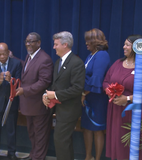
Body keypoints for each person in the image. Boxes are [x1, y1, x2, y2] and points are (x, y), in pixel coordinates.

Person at [103, 35, 142, 160]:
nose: (124, 47)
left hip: (140, 114)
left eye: (127, 45)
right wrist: (110, 91)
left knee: (138, 147)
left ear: (137, 47)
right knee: (121, 145)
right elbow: (106, 81)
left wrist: (127, 99)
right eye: (124, 44)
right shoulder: (118, 63)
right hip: (118, 112)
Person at [43, 31, 85, 160]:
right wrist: (46, 95)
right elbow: (56, 85)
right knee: (64, 141)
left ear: (65, 44)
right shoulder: (58, 62)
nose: (54, 47)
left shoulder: (76, 63)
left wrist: (55, 94)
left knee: (60, 140)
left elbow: (77, 89)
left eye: (56, 44)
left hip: (69, 110)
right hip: (60, 109)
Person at [15, 32, 53, 160]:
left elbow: (44, 82)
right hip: (29, 105)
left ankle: (38, 157)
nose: (28, 44)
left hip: (39, 106)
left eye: (31, 41)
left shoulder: (45, 59)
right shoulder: (29, 56)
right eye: (27, 41)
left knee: (40, 135)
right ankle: (34, 155)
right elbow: (28, 71)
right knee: (32, 133)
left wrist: (24, 90)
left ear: (38, 43)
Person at [80, 28, 110, 160]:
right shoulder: (91, 55)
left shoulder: (102, 55)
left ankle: (97, 158)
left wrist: (83, 93)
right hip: (88, 97)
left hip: (97, 98)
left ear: (95, 41)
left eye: (88, 40)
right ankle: (88, 156)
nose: (86, 43)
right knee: (86, 128)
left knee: (97, 129)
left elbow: (97, 78)